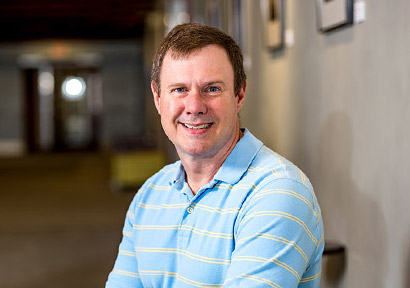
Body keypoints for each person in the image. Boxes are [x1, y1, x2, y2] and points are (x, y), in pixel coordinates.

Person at [106, 23, 324, 288]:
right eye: (179, 89)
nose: (195, 106)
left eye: (212, 89)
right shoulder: (149, 195)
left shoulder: (280, 192)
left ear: (239, 94)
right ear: (158, 98)